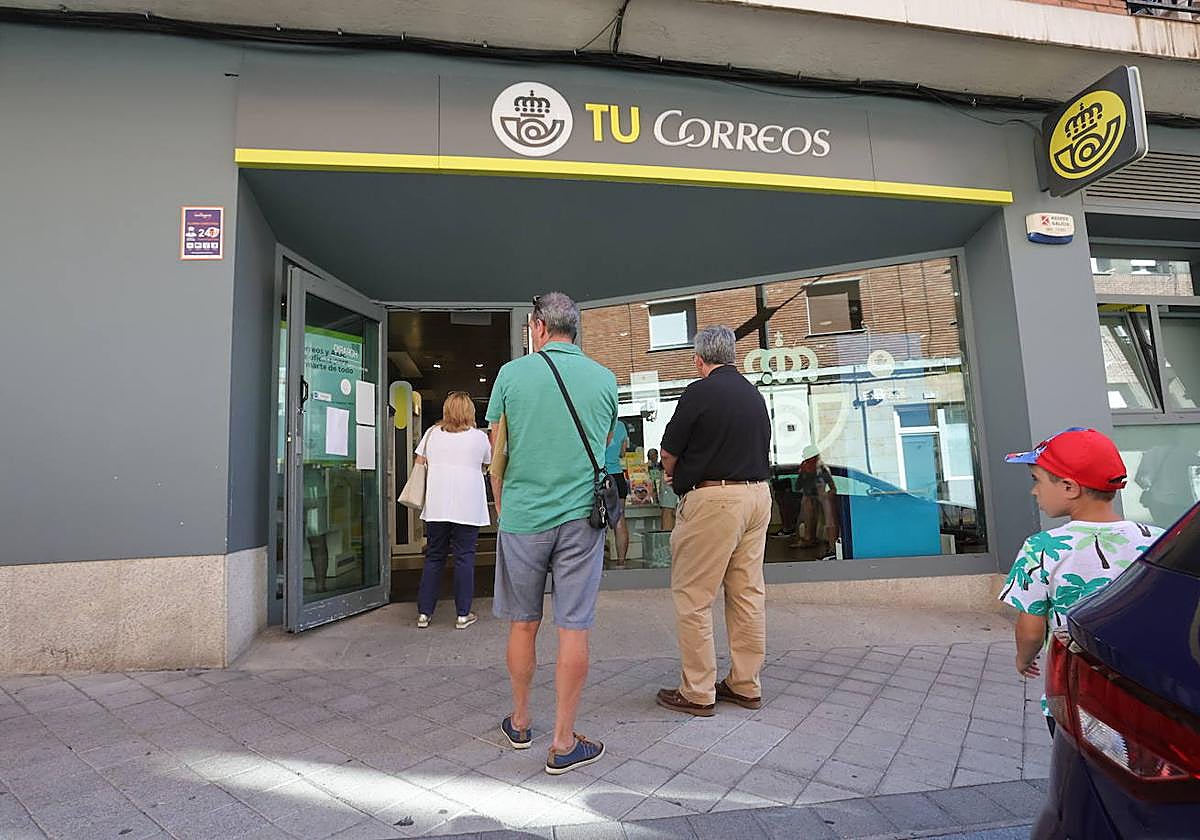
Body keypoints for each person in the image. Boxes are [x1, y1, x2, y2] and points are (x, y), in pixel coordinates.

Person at [486, 291, 618, 775]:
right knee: (573, 625)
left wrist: (504, 507)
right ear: (574, 329)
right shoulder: (604, 379)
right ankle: (563, 741)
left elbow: (498, 450)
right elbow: (603, 443)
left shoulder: (511, 375)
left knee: (524, 623)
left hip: (523, 517)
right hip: (582, 519)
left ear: (538, 327)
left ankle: (521, 721)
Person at [998, 427, 1163, 737]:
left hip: (1074, 693)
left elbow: (1031, 630)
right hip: (1146, 691)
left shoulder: (1042, 547)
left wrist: (1024, 658)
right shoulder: (1156, 540)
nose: (1034, 491)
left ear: (1069, 487)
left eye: (1037, 480)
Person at [656, 325, 773, 717]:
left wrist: (672, 475)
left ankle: (698, 690)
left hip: (716, 499)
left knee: (693, 597)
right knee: (747, 594)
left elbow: (669, 449)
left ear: (699, 359)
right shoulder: (753, 394)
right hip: (758, 496)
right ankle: (745, 684)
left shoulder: (700, 391)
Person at [413, 391, 492, 630]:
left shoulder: (431, 434)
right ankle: (462, 614)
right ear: (470, 412)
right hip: (467, 506)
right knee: (464, 557)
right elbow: (486, 464)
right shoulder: (479, 438)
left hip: (437, 505)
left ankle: (424, 614)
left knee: (434, 557)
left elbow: (419, 464)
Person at [790, 444, 839, 555]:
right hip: (809, 496)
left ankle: (833, 547)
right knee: (805, 519)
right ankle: (808, 539)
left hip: (822, 496)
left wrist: (827, 496)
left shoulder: (821, 468)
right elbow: (798, 485)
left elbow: (833, 487)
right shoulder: (805, 466)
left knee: (829, 522)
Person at [604, 420, 631, 567]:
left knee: (598, 520)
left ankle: (599, 562)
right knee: (620, 519)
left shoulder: (597, 422)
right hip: (619, 477)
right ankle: (621, 562)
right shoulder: (621, 426)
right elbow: (622, 452)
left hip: (602, 476)